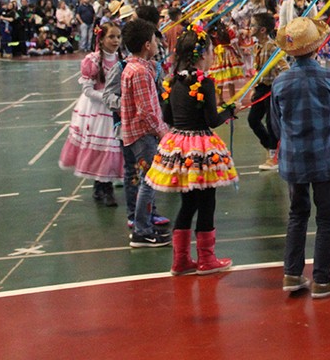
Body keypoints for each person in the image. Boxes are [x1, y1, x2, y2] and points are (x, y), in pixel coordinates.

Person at [146, 22, 239, 275]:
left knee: (187, 205)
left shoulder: (173, 81)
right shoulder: (205, 83)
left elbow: (167, 117)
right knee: (207, 202)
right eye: (210, 51)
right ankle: (207, 259)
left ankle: (180, 261)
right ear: (202, 55)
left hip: (179, 147)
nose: (212, 56)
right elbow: (211, 120)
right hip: (200, 150)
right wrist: (229, 111)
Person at [272, 17, 330, 298]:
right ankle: (322, 279)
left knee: (297, 214)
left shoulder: (280, 83)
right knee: (326, 217)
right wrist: (325, 139)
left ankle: (292, 274)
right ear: (317, 47)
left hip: (293, 162)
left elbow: (276, 125)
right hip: (325, 158)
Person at [58, 22, 124, 207]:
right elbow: (87, 90)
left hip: (115, 109)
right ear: (101, 39)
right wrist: (107, 97)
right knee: (104, 145)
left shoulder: (121, 58)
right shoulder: (93, 60)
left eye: (118, 37)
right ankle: (105, 188)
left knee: (112, 147)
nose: (116, 40)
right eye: (111, 37)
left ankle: (102, 184)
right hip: (97, 110)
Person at [120, 18, 171, 248]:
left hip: (138, 134)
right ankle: (141, 231)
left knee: (147, 179)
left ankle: (145, 224)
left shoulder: (137, 67)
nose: (156, 44)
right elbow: (146, 111)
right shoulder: (139, 72)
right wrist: (163, 133)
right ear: (145, 45)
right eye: (153, 40)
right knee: (149, 180)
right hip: (143, 136)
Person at [248, 12, 289, 170]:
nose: (249, 28)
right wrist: (254, 87)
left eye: (253, 25)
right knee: (253, 119)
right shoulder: (257, 46)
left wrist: (279, 86)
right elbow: (258, 70)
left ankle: (274, 156)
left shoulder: (272, 47)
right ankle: (271, 148)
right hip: (261, 88)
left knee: (271, 123)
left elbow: (285, 68)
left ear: (262, 30)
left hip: (272, 89)